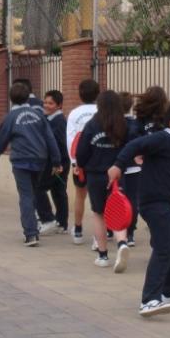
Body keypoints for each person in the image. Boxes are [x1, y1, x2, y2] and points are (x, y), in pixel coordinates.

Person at [109, 105, 170, 317]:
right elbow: (134, 145)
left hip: (164, 203)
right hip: (155, 204)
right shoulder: (163, 139)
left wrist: (169, 199)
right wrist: (118, 165)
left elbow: (161, 173)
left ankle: (169, 293)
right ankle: (149, 300)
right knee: (164, 249)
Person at [0, 83, 62, 246]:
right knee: (33, 193)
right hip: (40, 161)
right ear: (28, 97)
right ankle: (35, 226)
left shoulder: (10, 118)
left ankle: (31, 234)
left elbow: (0, 141)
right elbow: (50, 138)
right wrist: (56, 161)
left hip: (21, 161)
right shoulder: (39, 114)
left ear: (11, 99)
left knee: (26, 196)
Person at [77, 90, 138, 272]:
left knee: (99, 213)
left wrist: (83, 165)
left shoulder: (92, 124)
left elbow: (81, 152)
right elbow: (131, 148)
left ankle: (103, 256)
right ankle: (121, 243)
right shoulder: (124, 125)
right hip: (118, 174)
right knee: (117, 210)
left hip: (95, 174)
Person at [65, 79, 100, 245]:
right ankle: (98, 235)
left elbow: (71, 139)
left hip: (80, 161)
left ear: (80, 94)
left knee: (80, 195)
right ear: (98, 93)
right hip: (99, 160)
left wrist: (74, 163)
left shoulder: (74, 113)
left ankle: (78, 230)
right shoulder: (102, 111)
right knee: (99, 199)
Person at [36, 89, 69, 234]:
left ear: (59, 105)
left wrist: (59, 164)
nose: (47, 105)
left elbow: (60, 144)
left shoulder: (58, 122)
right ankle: (61, 223)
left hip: (57, 163)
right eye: (45, 102)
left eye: (51, 103)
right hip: (57, 163)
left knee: (38, 188)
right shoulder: (50, 119)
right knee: (58, 192)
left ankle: (48, 219)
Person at [117, 92, 141, 246]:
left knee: (117, 200)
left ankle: (119, 231)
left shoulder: (114, 125)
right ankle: (131, 232)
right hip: (134, 167)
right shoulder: (136, 124)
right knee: (133, 201)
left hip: (118, 167)